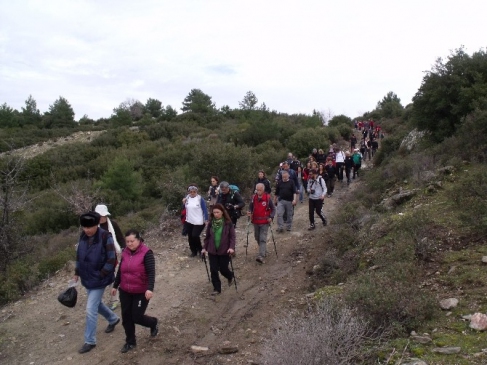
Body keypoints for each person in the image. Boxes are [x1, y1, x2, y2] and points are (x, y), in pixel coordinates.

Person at [74, 211, 120, 354]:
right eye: (84, 227)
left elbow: (111, 259)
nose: (87, 230)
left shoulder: (105, 236)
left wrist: (101, 274)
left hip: (100, 279)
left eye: (90, 227)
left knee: (90, 309)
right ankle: (113, 319)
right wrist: (77, 272)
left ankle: (90, 340)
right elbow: (79, 254)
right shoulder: (83, 236)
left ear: (97, 224)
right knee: (96, 304)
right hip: (87, 277)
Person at [111, 229, 158, 353]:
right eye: (127, 242)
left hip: (140, 291)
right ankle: (130, 341)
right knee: (126, 317)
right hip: (125, 290)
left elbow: (151, 272)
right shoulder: (125, 252)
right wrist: (115, 286)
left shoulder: (146, 253)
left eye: (132, 241)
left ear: (138, 240)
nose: (130, 244)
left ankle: (153, 323)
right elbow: (121, 270)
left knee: (136, 316)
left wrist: (150, 288)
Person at [201, 204, 236, 295]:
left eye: (218, 212)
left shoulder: (228, 223)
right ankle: (217, 288)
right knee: (213, 269)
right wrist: (204, 248)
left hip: (225, 250)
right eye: (214, 212)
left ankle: (230, 275)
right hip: (212, 250)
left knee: (223, 269)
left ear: (222, 212)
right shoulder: (211, 223)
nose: (216, 214)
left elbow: (232, 237)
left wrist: (231, 248)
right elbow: (207, 237)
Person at [247, 183, 276, 264]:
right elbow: (250, 207)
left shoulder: (267, 197)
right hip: (255, 221)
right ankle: (263, 250)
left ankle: (261, 256)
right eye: (257, 190)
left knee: (262, 238)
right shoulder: (253, 198)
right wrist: (249, 212)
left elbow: (273, 209)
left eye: (260, 190)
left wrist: (271, 217)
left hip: (265, 221)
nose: (258, 191)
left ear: (263, 190)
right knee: (257, 237)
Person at [183, 185, 209, 257]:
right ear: (189, 192)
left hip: (199, 221)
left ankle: (201, 250)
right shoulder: (187, 198)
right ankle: (193, 251)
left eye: (194, 191)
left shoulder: (200, 199)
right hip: (189, 220)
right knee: (190, 237)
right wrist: (183, 202)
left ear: (196, 192)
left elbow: (205, 210)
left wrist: (206, 219)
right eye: (191, 191)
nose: (192, 193)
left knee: (195, 235)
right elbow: (184, 208)